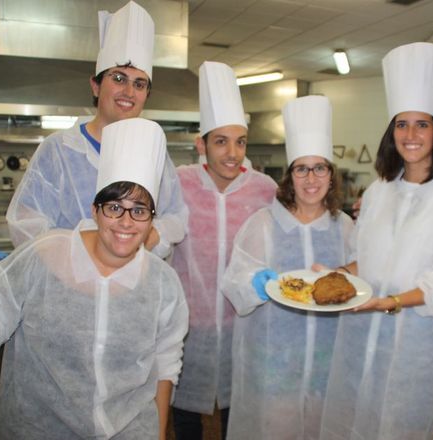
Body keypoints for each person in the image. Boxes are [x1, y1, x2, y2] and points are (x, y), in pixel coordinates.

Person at [0, 118, 189, 440]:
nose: (126, 222)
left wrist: (159, 435)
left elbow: (165, 365)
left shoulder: (163, 284)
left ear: (151, 220)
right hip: (40, 429)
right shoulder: (45, 254)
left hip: (131, 430)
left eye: (139, 210)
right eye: (114, 207)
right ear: (95, 210)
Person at [319, 42, 433, 439]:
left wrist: (392, 302)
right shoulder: (379, 192)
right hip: (363, 339)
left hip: (418, 344)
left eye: (422, 124)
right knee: (355, 423)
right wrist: (336, 276)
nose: (410, 134)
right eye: (401, 124)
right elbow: (366, 260)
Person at [6, 1, 187, 258]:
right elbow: (25, 225)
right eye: (118, 78)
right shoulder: (58, 151)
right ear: (95, 85)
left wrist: (147, 236)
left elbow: (177, 216)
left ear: (147, 93)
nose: (128, 92)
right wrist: (82, 258)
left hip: (133, 288)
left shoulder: (153, 152)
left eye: (139, 83)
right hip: (68, 287)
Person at [221, 95, 354, 439]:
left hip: (328, 367)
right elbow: (233, 284)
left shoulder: (345, 227)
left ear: (331, 174)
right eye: (301, 168)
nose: (311, 178)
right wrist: (255, 284)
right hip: (275, 367)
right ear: (290, 175)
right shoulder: (263, 224)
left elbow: (361, 280)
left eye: (319, 167)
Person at [170, 61, 277, 440]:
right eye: (221, 141)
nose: (233, 153)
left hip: (244, 327)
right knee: (184, 416)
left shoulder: (265, 189)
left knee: (240, 416)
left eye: (240, 141)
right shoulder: (177, 184)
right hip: (188, 326)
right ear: (201, 144)